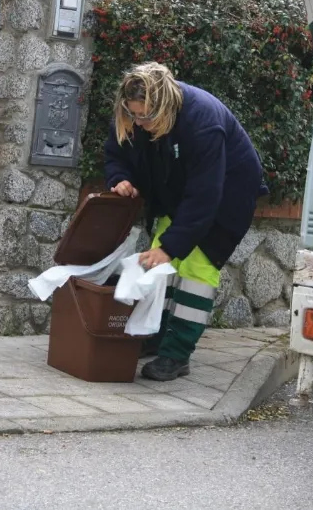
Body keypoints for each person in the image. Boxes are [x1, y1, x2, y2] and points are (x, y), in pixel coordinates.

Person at [105, 62, 269, 381]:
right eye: (134, 115)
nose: (140, 123)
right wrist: (119, 177)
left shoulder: (202, 121)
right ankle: (155, 336)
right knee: (157, 264)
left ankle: (176, 354)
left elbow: (205, 195)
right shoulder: (134, 116)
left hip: (225, 198)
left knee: (195, 267)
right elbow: (116, 153)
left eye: (147, 116)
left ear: (164, 106)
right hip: (179, 195)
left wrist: (171, 247)